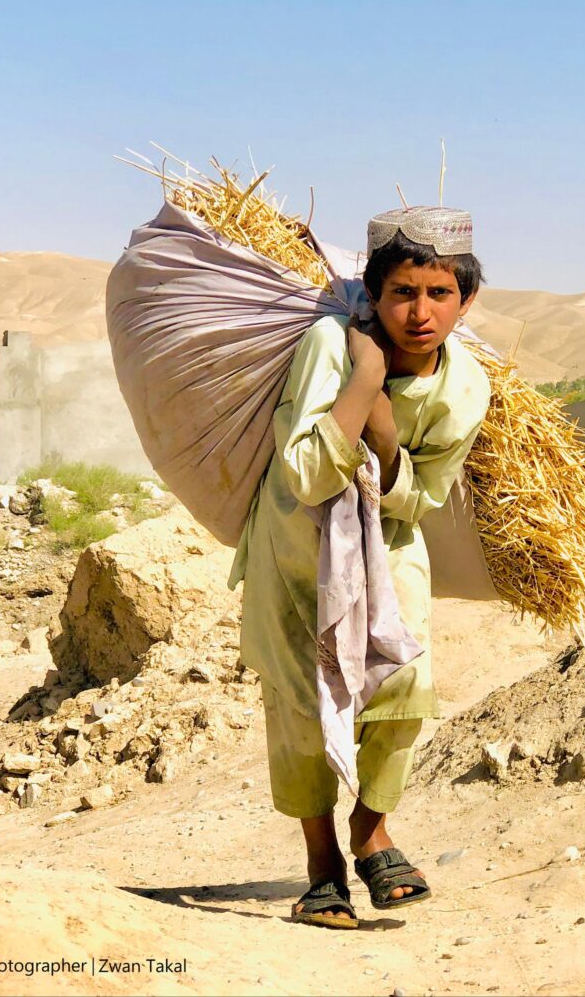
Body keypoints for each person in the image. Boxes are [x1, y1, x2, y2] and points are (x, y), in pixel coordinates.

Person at [227, 206, 491, 928]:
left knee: (408, 683)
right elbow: (308, 474)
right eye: (404, 292)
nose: (421, 312)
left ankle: (370, 826)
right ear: (374, 295)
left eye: (440, 294)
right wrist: (364, 378)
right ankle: (321, 868)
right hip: (294, 547)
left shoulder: (465, 387)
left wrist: (385, 436)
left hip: (390, 542)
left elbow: (424, 495)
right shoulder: (329, 346)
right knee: (302, 706)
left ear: (467, 300)